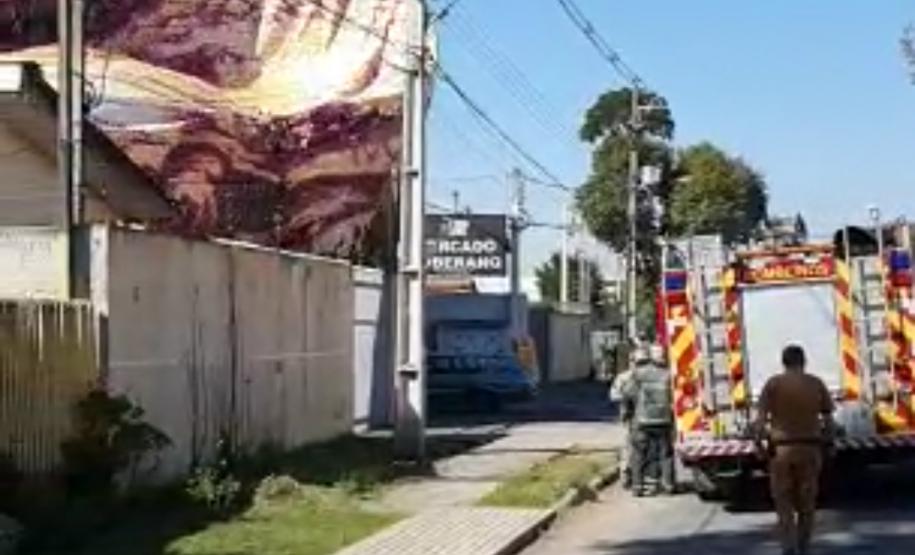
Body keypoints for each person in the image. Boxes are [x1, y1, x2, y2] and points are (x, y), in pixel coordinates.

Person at [754, 344, 836, 555]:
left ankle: (788, 547)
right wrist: (829, 443)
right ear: (804, 361)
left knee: (784, 503)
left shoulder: (773, 384)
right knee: (807, 504)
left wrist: (758, 444)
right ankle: (804, 546)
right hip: (810, 449)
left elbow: (760, 421)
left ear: (783, 362)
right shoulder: (816, 383)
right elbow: (828, 419)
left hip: (781, 452)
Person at [623, 343, 675, 496]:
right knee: (665, 454)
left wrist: (627, 413)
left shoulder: (639, 374)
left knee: (639, 453)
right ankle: (668, 485)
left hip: (642, 420)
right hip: (664, 420)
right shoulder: (668, 374)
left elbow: (628, 393)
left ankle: (637, 487)